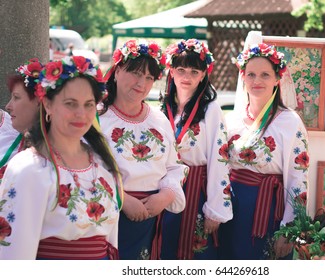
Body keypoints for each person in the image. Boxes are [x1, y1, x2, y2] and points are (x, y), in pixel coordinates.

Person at [0, 56, 122, 259]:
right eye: (70, 104)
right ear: (47, 105)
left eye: (89, 104)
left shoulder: (101, 163)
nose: (81, 114)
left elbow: (111, 241)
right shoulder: (28, 169)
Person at [218, 33, 309, 260]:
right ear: (243, 77)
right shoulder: (233, 120)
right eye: (251, 74)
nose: (257, 80)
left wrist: (289, 230)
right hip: (232, 209)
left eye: (265, 74)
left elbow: (298, 179)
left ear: (277, 79)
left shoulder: (290, 122)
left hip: (269, 210)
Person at [99, 39, 187, 260]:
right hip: (107, 217)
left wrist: (167, 195)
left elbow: (174, 167)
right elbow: (89, 169)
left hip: (151, 218)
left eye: (149, 77)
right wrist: (122, 199)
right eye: (136, 73)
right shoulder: (97, 118)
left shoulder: (158, 119)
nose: (142, 83)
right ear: (117, 70)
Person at [160, 38, 233, 260]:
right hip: (163, 190)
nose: (187, 77)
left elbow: (219, 160)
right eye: (180, 69)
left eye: (194, 71)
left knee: (194, 253)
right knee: (163, 250)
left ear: (203, 75)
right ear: (171, 71)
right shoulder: (163, 108)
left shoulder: (211, 110)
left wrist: (215, 208)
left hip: (195, 190)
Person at [0, 58, 44, 184]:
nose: (8, 106)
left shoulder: (58, 155)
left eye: (16, 97)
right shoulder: (6, 141)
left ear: (39, 102)